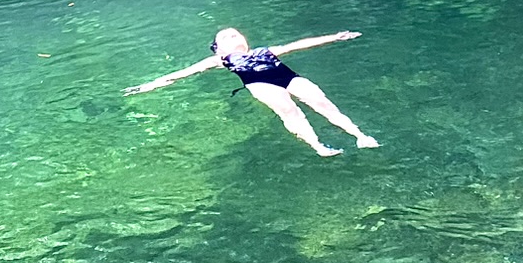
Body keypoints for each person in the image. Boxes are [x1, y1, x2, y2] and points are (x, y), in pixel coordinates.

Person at [126, 27, 379, 157]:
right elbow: (182, 73)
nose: (231, 34)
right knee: (290, 111)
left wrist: (335, 37)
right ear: (218, 49)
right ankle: (318, 147)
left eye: (235, 33)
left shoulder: (262, 51)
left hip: (286, 76)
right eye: (225, 36)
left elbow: (297, 45)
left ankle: (359, 135)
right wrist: (148, 85)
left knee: (320, 101)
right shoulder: (220, 60)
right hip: (260, 84)